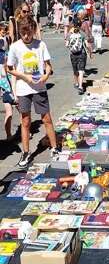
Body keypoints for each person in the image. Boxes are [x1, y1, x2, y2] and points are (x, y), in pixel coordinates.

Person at [7, 16, 59, 168]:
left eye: (29, 33)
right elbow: (10, 69)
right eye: (23, 33)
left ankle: (54, 147)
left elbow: (48, 65)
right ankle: (26, 152)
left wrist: (46, 75)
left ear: (34, 31)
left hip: (39, 87)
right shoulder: (15, 47)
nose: (26, 36)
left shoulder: (40, 45)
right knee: (25, 121)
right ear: (19, 32)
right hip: (24, 88)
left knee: (46, 118)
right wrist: (25, 77)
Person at [66, 17, 92, 95]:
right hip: (82, 53)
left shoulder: (70, 33)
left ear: (73, 24)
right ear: (80, 24)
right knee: (81, 70)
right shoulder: (82, 33)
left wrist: (72, 45)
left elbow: (67, 45)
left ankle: (76, 83)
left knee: (75, 70)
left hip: (73, 54)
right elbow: (87, 44)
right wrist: (90, 52)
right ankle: (81, 86)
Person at [0, 22, 14, 140]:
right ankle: (9, 135)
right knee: (9, 112)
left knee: (17, 111)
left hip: (10, 85)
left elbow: (12, 35)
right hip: (6, 86)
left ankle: (9, 135)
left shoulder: (8, 51)